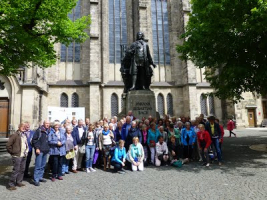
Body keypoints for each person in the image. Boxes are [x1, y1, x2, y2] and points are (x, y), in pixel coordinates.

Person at [6, 123, 29, 190]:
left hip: (23, 155)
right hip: (17, 156)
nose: (24, 128)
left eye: (25, 127)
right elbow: (8, 145)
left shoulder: (24, 135)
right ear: (19, 127)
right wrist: (12, 152)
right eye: (22, 126)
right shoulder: (15, 135)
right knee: (16, 170)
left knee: (22, 170)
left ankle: (19, 182)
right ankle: (11, 184)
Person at [32, 120, 51, 186]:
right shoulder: (39, 130)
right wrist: (37, 148)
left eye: (48, 123)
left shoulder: (49, 131)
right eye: (46, 123)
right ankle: (36, 179)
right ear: (43, 124)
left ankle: (40, 177)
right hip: (39, 150)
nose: (47, 124)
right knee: (38, 165)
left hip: (45, 150)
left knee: (43, 165)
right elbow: (34, 140)